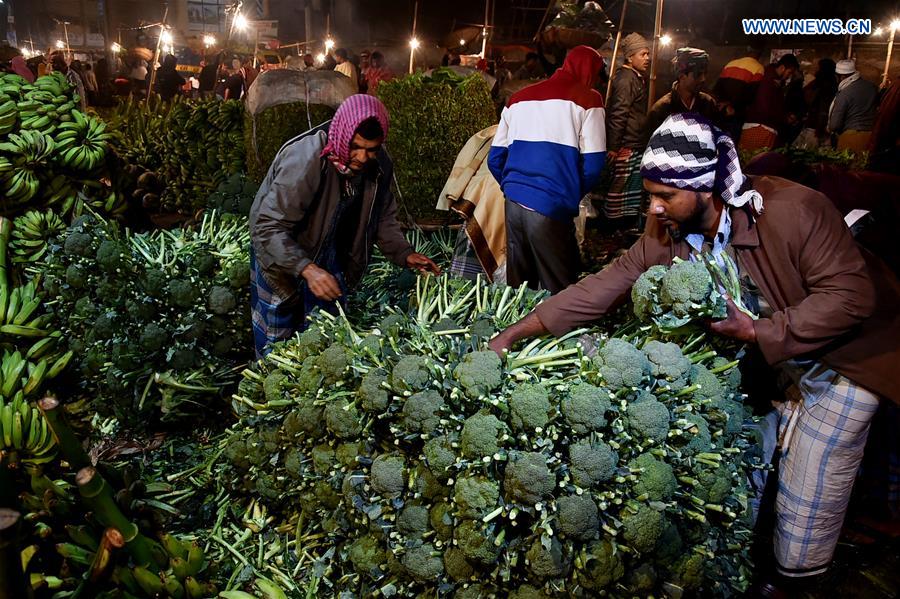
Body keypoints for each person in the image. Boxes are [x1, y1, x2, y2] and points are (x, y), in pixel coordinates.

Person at [489, 112, 899, 593]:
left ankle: (797, 580)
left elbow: (852, 298)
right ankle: (753, 558)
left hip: (845, 359)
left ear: (705, 187)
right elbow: (608, 284)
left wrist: (756, 331)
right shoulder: (665, 230)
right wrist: (517, 332)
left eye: (665, 196)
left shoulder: (793, 211)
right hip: (773, 355)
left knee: (810, 483)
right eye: (650, 196)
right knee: (746, 460)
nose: (655, 208)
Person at [249, 95, 441, 357]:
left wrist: (403, 253)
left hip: (329, 253)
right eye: (355, 146)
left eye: (371, 149)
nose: (362, 157)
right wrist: (306, 268)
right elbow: (267, 226)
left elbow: (382, 216)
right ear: (342, 135)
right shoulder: (306, 159)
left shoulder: (379, 165)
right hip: (280, 254)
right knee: (277, 340)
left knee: (324, 336)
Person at [487, 45, 607, 294]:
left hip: (513, 204)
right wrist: (569, 191)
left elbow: (495, 158)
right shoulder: (589, 99)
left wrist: (515, 187)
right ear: (589, 71)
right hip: (551, 204)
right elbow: (594, 164)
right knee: (559, 288)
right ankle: (555, 333)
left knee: (519, 288)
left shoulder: (517, 98)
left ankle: (519, 332)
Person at [602, 32, 651, 231]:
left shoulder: (636, 77)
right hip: (626, 144)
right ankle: (611, 228)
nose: (647, 58)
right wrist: (614, 146)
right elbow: (618, 113)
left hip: (634, 141)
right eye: (643, 54)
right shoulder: (626, 79)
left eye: (648, 54)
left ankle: (624, 227)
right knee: (619, 188)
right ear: (630, 57)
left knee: (631, 188)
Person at [643, 47, 718, 144]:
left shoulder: (708, 104)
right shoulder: (662, 109)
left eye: (705, 73)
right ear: (682, 76)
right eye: (698, 74)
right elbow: (651, 146)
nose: (703, 79)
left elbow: (719, 138)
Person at [739, 53, 798, 150]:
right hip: (760, 127)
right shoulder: (769, 80)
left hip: (762, 127)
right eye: (789, 72)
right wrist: (784, 118)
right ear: (782, 68)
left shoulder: (774, 81)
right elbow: (765, 106)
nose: (789, 76)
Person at [713, 44, 766, 140]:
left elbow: (717, 88)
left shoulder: (731, 63)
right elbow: (750, 95)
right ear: (760, 53)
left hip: (721, 111)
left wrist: (722, 104)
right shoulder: (759, 68)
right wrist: (732, 106)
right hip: (736, 114)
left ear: (748, 50)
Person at [828, 59, 878, 152]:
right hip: (872, 136)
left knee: (847, 165)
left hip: (851, 137)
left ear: (842, 77)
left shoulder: (845, 93)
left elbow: (835, 125)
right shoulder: (872, 87)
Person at [795, 58, 837, 148]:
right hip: (823, 127)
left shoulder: (820, 85)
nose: (814, 69)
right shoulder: (833, 85)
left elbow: (822, 107)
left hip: (815, 128)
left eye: (817, 67)